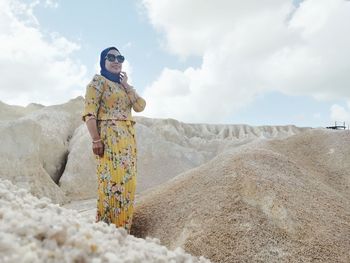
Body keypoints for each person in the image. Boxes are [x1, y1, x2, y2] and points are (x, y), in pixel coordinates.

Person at [82, 46, 146, 233]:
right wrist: (96, 140)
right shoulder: (97, 82)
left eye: (120, 58)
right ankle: (107, 230)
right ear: (103, 60)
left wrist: (126, 85)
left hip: (128, 141)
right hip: (109, 139)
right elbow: (89, 113)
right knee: (112, 183)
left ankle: (123, 230)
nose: (116, 61)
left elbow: (140, 106)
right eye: (111, 57)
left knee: (128, 184)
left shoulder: (123, 87)